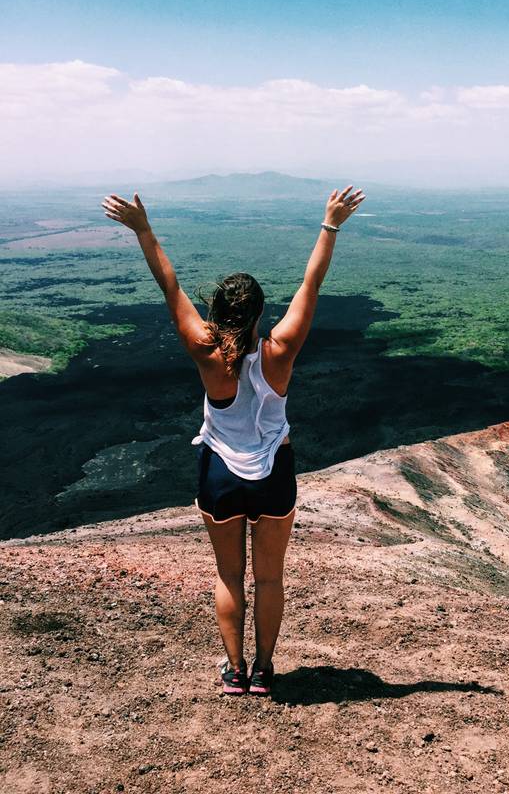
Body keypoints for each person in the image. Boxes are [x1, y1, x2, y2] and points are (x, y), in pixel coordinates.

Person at [101, 183, 365, 696]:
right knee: (269, 578)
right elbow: (312, 283)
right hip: (275, 475)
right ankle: (265, 670)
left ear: (217, 312)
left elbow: (170, 287)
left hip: (220, 472)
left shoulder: (205, 351)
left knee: (229, 577)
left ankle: (235, 670)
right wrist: (330, 225)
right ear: (262, 313)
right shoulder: (281, 349)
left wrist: (144, 230)